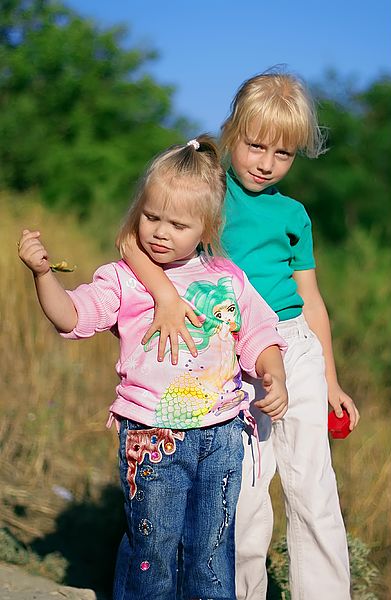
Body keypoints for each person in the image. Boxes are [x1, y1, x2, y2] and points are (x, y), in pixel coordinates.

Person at [17, 134, 289, 600]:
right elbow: (73, 316)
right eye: (151, 217)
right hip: (152, 435)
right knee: (155, 547)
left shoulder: (226, 277)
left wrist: (273, 371)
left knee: (211, 549)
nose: (161, 232)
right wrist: (43, 276)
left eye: (178, 224)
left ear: (206, 228)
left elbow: (260, 331)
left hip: (222, 434)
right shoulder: (123, 279)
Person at [123, 70, 360, 600]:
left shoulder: (294, 214)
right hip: (230, 355)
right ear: (232, 130)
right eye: (256, 145)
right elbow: (133, 243)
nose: (266, 163)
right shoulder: (206, 190)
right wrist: (165, 295)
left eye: (284, 153)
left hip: (295, 348)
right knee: (244, 496)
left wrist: (331, 379)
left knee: (314, 489)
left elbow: (312, 300)